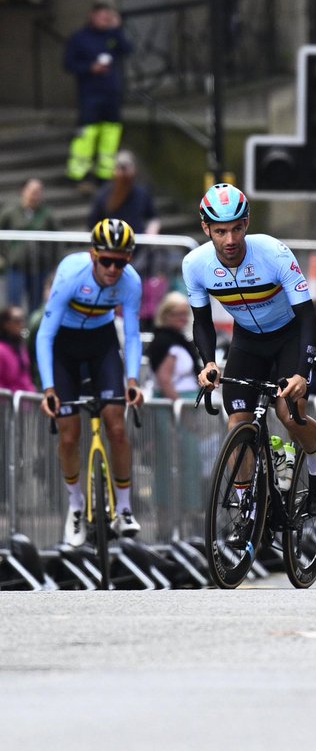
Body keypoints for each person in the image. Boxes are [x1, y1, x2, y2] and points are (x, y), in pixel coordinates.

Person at [182, 183, 316, 545]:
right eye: (220, 231)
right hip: (247, 340)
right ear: (206, 229)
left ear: (247, 222)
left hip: (289, 337)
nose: (229, 238)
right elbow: (201, 321)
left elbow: (309, 317)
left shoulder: (274, 253)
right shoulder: (195, 264)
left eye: (236, 228)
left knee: (286, 412)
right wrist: (208, 363)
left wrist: (301, 372)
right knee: (238, 423)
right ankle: (249, 507)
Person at [36, 218, 144, 545]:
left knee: (116, 426)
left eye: (121, 261)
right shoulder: (71, 276)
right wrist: (49, 389)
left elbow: (134, 334)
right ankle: (75, 505)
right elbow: (45, 334)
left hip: (102, 344)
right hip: (64, 346)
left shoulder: (131, 283)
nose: (113, 269)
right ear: (93, 254)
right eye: (106, 261)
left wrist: (133, 379)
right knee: (68, 435)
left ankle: (124, 508)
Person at [64, 3, 132, 191]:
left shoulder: (112, 35)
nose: (105, 20)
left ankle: (104, 173)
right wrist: (89, 68)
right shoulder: (80, 38)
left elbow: (127, 50)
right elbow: (69, 63)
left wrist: (117, 29)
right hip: (90, 93)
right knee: (87, 134)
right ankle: (77, 173)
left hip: (111, 92)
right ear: (92, 16)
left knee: (110, 133)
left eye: (107, 17)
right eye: (102, 17)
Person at [0, 178, 59, 312]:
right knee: (13, 304)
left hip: (40, 266)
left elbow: (58, 239)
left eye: (38, 192)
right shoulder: (10, 212)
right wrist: (4, 255)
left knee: (37, 305)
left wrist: (56, 263)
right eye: (32, 191)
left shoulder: (47, 214)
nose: (35, 195)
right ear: (24, 191)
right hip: (16, 266)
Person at [86, 150, 159, 235]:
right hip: (112, 245)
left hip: (137, 243)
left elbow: (153, 218)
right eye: (120, 167)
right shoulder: (103, 195)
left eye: (127, 167)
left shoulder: (142, 193)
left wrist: (151, 230)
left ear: (134, 169)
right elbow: (92, 225)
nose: (124, 173)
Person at [146, 292, 200, 400]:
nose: (183, 318)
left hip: (190, 397)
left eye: (185, 314)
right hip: (175, 402)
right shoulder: (164, 342)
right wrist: (179, 406)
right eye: (179, 314)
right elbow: (164, 381)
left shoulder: (181, 340)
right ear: (166, 315)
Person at [0, 305, 36, 392]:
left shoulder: (21, 349)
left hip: (28, 402)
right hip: (9, 403)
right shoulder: (1, 350)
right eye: (17, 321)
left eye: (23, 320)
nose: (22, 324)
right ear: (6, 324)